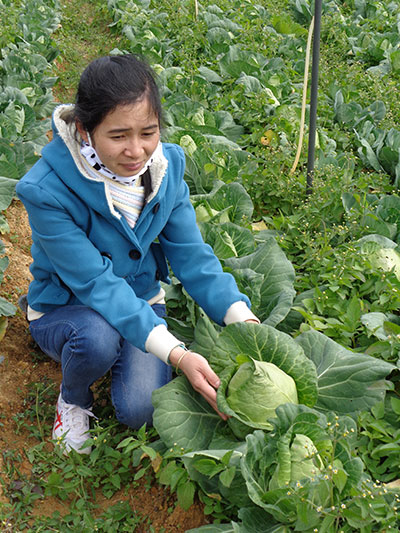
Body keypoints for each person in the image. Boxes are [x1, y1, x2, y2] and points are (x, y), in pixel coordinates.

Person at [16, 54, 259, 455]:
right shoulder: (45, 190)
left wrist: (243, 320)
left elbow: (192, 257)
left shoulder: (167, 168)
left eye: (148, 132)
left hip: (140, 300)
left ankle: (123, 348)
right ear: (85, 130)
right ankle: (74, 397)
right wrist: (177, 354)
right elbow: (95, 283)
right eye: (118, 136)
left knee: (141, 410)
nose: (136, 150)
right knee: (96, 337)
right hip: (69, 308)